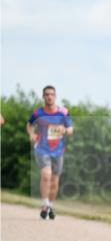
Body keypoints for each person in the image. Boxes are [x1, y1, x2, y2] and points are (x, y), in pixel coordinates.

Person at [27, 85, 73, 220]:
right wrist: (31, 134)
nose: (49, 97)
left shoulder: (63, 112)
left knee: (54, 179)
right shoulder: (37, 113)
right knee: (46, 174)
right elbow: (29, 124)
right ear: (43, 97)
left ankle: (50, 205)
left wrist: (65, 129)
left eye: (52, 94)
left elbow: (70, 129)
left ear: (55, 96)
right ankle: (45, 204)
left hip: (58, 150)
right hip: (42, 148)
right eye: (46, 94)